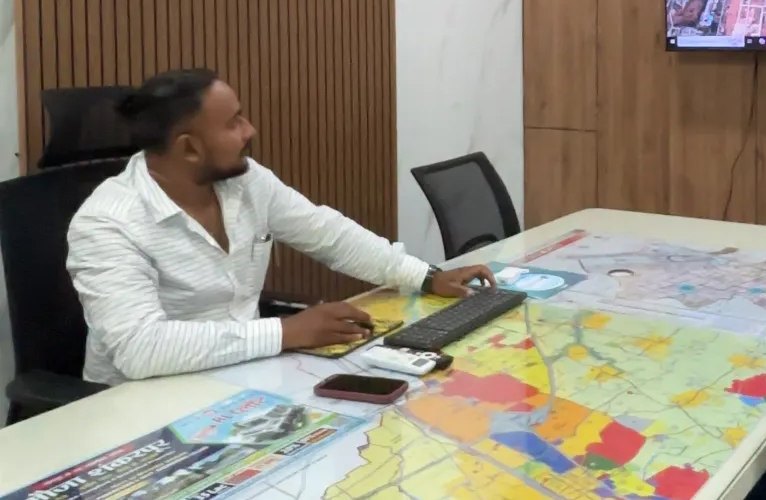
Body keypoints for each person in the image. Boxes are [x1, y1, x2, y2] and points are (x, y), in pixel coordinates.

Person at [67, 69, 493, 385]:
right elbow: (140, 349)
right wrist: (286, 331)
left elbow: (330, 235)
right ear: (190, 148)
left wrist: (424, 276)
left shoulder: (246, 182)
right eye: (233, 123)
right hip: (141, 411)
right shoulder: (107, 222)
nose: (249, 130)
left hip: (240, 380)